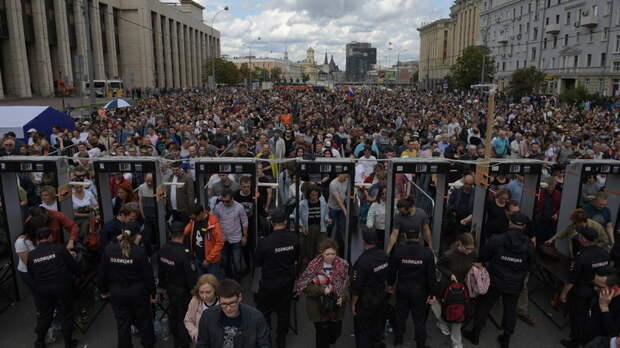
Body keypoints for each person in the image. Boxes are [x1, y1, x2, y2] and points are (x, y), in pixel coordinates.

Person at [464, 213, 535, 348]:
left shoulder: (497, 239)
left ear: (509, 223)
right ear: (524, 227)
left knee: (483, 305)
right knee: (510, 310)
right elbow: (531, 265)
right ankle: (506, 339)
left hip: (495, 279)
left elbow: (483, 256)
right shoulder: (528, 245)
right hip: (515, 283)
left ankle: (475, 334)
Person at [97, 222, 156, 348]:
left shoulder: (109, 250)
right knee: (144, 321)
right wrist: (153, 293)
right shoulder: (139, 252)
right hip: (138, 293)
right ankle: (148, 344)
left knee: (122, 323)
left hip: (117, 292)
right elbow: (148, 276)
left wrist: (103, 290)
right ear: (136, 236)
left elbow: (102, 273)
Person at [559, 226, 611, 348]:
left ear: (584, 240)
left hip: (580, 292)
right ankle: (584, 339)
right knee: (589, 316)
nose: (579, 237)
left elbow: (572, 279)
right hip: (597, 291)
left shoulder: (582, 256)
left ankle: (575, 342)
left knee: (577, 317)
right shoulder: (604, 253)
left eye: (581, 236)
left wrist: (563, 294)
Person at [388, 222, 438, 348]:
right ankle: (421, 343)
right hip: (420, 292)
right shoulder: (427, 253)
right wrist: (432, 293)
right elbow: (431, 276)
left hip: (403, 289)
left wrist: (390, 285)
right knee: (419, 320)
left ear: (404, 235)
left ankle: (398, 339)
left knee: (400, 316)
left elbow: (392, 270)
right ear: (420, 235)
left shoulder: (398, 251)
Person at [28, 227, 80, 348]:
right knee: (66, 314)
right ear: (50, 236)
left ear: (38, 239)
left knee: (45, 315)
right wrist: (78, 276)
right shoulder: (59, 248)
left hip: (42, 289)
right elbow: (72, 265)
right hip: (62, 287)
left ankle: (39, 342)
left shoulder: (31, 255)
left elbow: (31, 274)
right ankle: (68, 343)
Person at [255, 208, 299, 348]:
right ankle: (281, 340)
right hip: (287, 282)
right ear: (286, 222)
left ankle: (266, 339)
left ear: (272, 223)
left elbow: (257, 263)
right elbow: (296, 258)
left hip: (269, 282)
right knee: (284, 312)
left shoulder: (265, 242)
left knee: (264, 311)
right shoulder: (294, 238)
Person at [196, 278, 270, 348]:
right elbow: (202, 344)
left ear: (240, 298)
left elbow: (264, 345)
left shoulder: (256, 317)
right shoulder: (208, 316)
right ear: (218, 300)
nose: (228, 308)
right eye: (224, 304)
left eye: (232, 303)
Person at [159, 221, 199, 348]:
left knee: (174, 313)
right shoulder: (185, 253)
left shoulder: (163, 249)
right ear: (184, 234)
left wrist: (163, 287)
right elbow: (190, 275)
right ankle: (184, 342)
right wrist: (194, 290)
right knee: (184, 316)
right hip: (183, 290)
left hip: (170, 288)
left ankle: (176, 339)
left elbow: (161, 271)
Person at [436, 233, 478, 348]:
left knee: (459, 313)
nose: (469, 251)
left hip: (464, 286)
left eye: (471, 249)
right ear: (460, 244)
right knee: (448, 307)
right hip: (449, 286)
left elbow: (474, 262)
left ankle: (456, 342)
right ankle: (442, 322)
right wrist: (450, 275)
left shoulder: (473, 253)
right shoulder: (449, 255)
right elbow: (439, 265)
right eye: (467, 249)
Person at [351, 227, 389, 348]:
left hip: (366, 302)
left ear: (364, 241)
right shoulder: (384, 255)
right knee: (377, 326)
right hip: (381, 298)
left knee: (362, 331)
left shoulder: (362, 262)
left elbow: (356, 286)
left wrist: (353, 304)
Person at [212, 190, 248, 281]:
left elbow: (244, 221)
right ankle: (228, 278)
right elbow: (214, 222)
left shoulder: (239, 207)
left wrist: (245, 236)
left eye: (227, 201)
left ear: (232, 199)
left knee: (237, 261)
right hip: (223, 239)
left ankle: (238, 280)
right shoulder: (218, 207)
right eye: (223, 201)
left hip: (236, 238)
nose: (225, 203)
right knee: (225, 261)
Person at [546, 209, 610, 257]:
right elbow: (564, 232)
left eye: (576, 222)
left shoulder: (597, 227)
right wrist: (552, 239)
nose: (574, 224)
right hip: (574, 255)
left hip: (588, 256)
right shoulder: (574, 224)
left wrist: (592, 246)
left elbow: (605, 241)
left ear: (582, 221)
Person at [184, 203, 224, 277]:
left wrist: (208, 259)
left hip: (211, 261)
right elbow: (185, 231)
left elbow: (219, 243)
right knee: (202, 282)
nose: (193, 220)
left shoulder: (213, 224)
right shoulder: (193, 221)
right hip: (198, 258)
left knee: (212, 283)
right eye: (191, 219)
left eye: (194, 218)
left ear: (201, 213)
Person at [297, 184, 330, 267]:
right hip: (308, 229)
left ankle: (317, 266)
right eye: (312, 195)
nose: (314, 196)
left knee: (320, 247)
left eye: (316, 195)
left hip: (321, 228)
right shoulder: (302, 204)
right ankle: (309, 266)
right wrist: (302, 226)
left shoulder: (323, 203)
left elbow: (326, 214)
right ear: (308, 195)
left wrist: (327, 219)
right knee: (309, 249)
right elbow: (297, 217)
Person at [585, 267, 620, 342]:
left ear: (614, 288)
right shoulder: (600, 292)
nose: (595, 288)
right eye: (594, 284)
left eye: (599, 286)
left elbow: (613, 335)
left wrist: (604, 308)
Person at [184, 274, 220, 343]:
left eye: (208, 292)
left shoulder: (223, 301)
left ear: (215, 290)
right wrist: (195, 332)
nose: (204, 296)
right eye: (201, 292)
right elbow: (188, 320)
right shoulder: (195, 300)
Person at [327, 173, 350, 251]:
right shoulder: (333, 184)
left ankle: (337, 243)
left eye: (347, 177)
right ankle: (327, 243)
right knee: (330, 226)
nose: (345, 178)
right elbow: (338, 200)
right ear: (339, 174)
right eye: (344, 176)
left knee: (341, 227)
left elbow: (346, 192)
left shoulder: (346, 180)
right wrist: (345, 211)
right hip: (332, 207)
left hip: (341, 207)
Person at [366, 185, 387, 250]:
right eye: (382, 193)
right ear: (380, 194)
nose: (384, 195)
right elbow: (370, 216)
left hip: (391, 230)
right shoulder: (375, 204)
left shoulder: (394, 203)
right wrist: (370, 225)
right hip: (379, 231)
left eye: (386, 193)